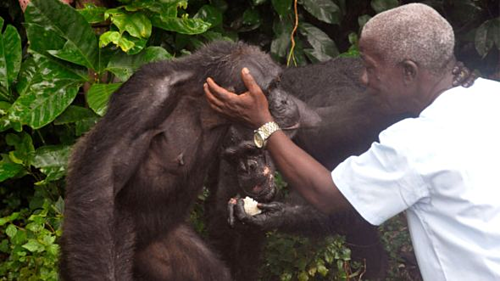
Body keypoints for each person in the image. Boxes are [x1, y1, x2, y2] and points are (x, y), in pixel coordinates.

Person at [203, 3, 500, 281]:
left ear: (409, 71)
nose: (363, 78)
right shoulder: (490, 94)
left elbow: (327, 194)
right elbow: (324, 126)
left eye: (371, 67)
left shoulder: (416, 144)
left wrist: (263, 123)